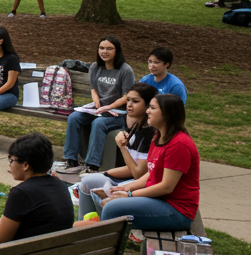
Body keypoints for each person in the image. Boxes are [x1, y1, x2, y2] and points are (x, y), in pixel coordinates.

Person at [82, 94, 199, 232]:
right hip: (159, 200)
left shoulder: (179, 144)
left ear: (167, 114)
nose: (147, 111)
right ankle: (87, 232)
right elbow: (151, 173)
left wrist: (129, 195)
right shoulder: (159, 136)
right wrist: (126, 188)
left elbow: (167, 187)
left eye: (153, 108)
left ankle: (101, 245)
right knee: (101, 191)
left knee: (113, 208)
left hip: (176, 210)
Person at [75, 82, 159, 218]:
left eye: (135, 101)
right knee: (86, 182)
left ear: (148, 105)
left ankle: (103, 229)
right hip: (132, 178)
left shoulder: (149, 132)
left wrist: (122, 148)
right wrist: (106, 173)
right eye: (128, 100)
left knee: (106, 194)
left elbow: (138, 173)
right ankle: (85, 226)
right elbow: (131, 167)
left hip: (141, 183)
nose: (129, 105)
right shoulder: (133, 124)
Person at [58, 36, 134, 174]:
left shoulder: (125, 70)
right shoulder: (95, 67)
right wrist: (97, 104)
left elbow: (127, 96)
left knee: (99, 123)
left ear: (117, 51)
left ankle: (92, 166)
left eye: (109, 48)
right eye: (101, 48)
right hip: (99, 110)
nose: (104, 51)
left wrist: (108, 107)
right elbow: (93, 89)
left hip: (117, 113)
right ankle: (71, 161)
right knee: (74, 117)